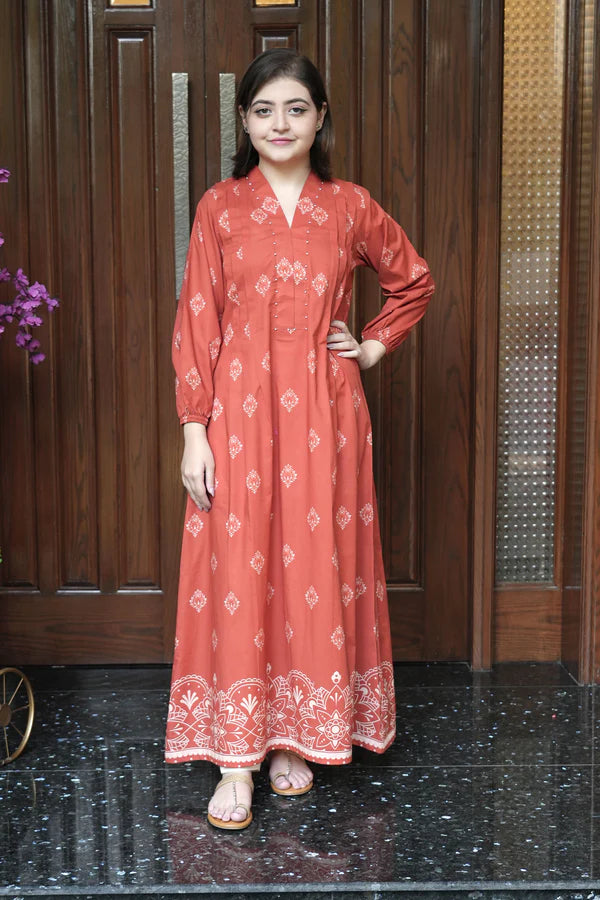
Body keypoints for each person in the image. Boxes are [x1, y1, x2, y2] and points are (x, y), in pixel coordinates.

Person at [165, 48, 434, 830]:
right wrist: (194, 431)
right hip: (239, 416)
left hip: (326, 413)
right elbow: (197, 318)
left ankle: (294, 737)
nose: (279, 124)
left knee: (312, 564)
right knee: (240, 566)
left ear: (320, 118)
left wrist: (373, 346)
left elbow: (412, 279)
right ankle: (236, 759)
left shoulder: (348, 206)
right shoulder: (220, 207)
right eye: (263, 110)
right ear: (244, 121)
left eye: (295, 108)